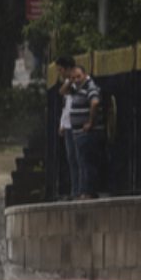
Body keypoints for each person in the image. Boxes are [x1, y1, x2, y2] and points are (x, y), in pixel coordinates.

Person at [68, 65, 104, 199]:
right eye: (73, 78)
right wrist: (69, 82)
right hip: (78, 133)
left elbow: (95, 103)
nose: (76, 80)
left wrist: (90, 122)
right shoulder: (76, 89)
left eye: (78, 76)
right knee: (82, 162)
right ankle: (84, 191)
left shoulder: (90, 87)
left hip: (87, 133)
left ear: (85, 75)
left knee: (86, 163)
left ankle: (87, 191)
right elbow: (63, 91)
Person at [55, 56, 79, 200]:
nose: (60, 73)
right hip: (68, 125)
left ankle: (78, 190)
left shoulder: (77, 81)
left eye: (60, 70)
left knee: (78, 159)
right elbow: (66, 104)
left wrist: (71, 79)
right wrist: (62, 124)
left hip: (76, 125)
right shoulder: (67, 82)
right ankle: (74, 190)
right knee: (71, 160)